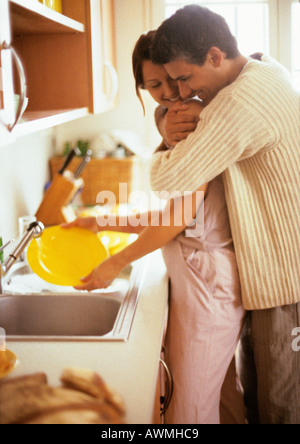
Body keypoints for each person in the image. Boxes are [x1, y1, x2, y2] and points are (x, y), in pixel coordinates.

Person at [64, 30, 245, 424]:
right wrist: (102, 221)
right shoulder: (174, 119)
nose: (167, 94)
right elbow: (179, 217)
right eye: (153, 86)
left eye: (170, 80)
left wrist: (114, 262)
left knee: (190, 412)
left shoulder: (191, 120)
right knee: (220, 396)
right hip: (200, 274)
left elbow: (178, 218)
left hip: (208, 282)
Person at [149, 5, 300, 424]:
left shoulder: (240, 100)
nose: (182, 93)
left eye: (185, 78)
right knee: (258, 401)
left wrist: (166, 135)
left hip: (286, 279)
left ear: (215, 56)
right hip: (272, 274)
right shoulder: (262, 71)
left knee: (279, 408)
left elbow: (170, 178)